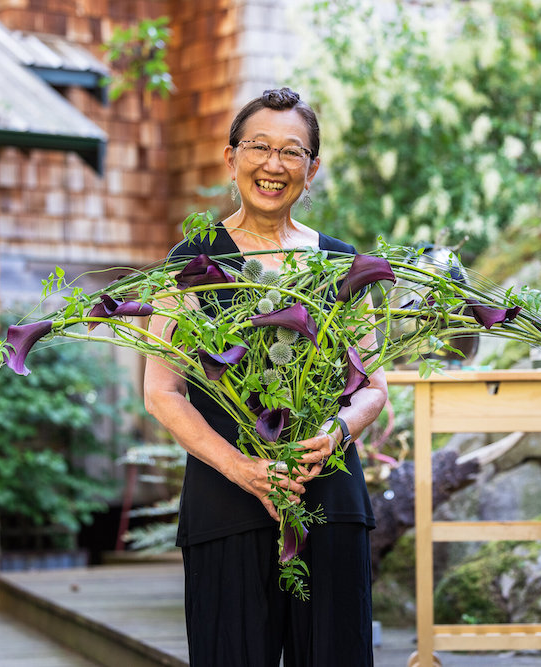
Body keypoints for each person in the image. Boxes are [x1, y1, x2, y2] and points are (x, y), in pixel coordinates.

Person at [143, 87, 388, 667]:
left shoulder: (344, 264)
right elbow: (161, 390)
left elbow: (375, 387)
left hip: (327, 497)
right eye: (259, 147)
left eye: (292, 152)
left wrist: (338, 432)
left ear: (312, 169)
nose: (273, 165)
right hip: (226, 502)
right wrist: (244, 470)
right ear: (231, 159)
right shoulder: (192, 262)